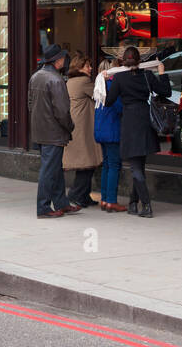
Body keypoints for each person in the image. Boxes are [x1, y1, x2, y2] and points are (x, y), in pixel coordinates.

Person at [105, 44, 171, 218]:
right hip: (145, 121)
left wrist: (107, 81)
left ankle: (147, 205)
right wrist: (162, 72)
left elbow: (109, 101)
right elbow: (166, 91)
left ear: (123, 61)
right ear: (140, 60)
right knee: (139, 165)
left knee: (135, 167)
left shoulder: (119, 78)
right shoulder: (148, 75)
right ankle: (133, 203)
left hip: (130, 122)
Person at [28, 44, 81, 219]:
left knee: (54, 168)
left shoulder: (35, 77)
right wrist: (70, 126)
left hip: (41, 130)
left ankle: (61, 203)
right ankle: (43, 207)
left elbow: (30, 104)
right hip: (53, 132)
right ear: (58, 60)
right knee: (49, 170)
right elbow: (62, 111)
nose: (64, 60)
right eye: (63, 58)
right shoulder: (56, 80)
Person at [63, 53, 102, 208]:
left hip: (76, 127)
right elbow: (100, 95)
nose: (91, 68)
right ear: (79, 67)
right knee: (87, 163)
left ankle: (83, 195)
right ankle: (76, 194)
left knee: (85, 163)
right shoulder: (84, 81)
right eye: (87, 65)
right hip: (83, 129)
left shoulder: (70, 81)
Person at [93, 58, 126, 211]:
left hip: (101, 130)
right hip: (112, 130)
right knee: (114, 165)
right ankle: (111, 200)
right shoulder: (112, 86)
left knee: (106, 164)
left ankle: (105, 199)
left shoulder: (99, 86)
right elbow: (119, 108)